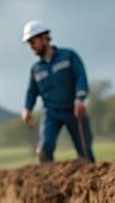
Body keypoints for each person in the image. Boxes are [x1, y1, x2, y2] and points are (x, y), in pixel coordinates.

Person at [21, 21, 95, 163]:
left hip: (74, 110)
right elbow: (32, 91)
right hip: (51, 113)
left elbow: (81, 78)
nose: (31, 47)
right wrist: (27, 109)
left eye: (32, 41)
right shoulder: (36, 69)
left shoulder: (69, 56)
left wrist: (80, 98)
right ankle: (49, 181)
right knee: (44, 149)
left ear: (44, 38)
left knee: (85, 152)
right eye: (29, 43)